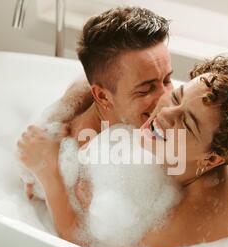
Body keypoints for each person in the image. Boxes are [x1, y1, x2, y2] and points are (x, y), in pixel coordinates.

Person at [18, 56, 228, 247]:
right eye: (178, 96)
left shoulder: (189, 218)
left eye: (187, 123)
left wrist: (49, 173)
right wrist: (60, 113)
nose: (165, 113)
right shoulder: (178, 148)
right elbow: (94, 80)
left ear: (212, 159)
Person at [21, 6, 174, 199]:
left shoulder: (81, 96)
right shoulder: (81, 167)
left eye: (168, 80)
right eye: (145, 89)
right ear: (102, 97)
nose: (166, 98)